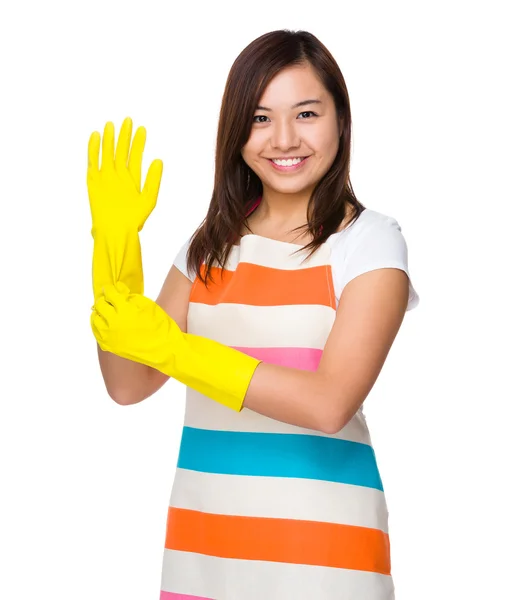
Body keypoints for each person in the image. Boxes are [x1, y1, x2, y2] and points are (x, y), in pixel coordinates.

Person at [87, 29, 420, 600]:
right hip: (203, 549)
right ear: (235, 128)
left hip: (324, 557)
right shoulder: (210, 247)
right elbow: (128, 382)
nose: (284, 138)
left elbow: (329, 402)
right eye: (261, 118)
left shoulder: (368, 242)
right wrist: (113, 253)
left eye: (306, 113)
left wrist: (178, 349)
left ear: (341, 119)